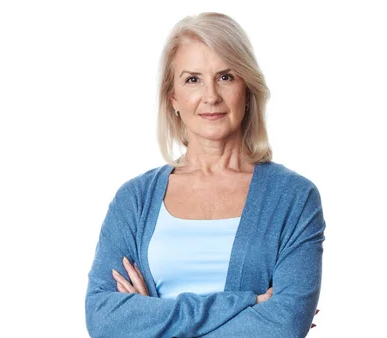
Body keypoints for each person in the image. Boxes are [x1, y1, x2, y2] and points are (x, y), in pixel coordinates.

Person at [85, 12, 325, 338]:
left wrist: (152, 317)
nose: (210, 96)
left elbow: (284, 325)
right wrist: (247, 303)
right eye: (193, 79)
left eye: (226, 76)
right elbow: (104, 319)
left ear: (247, 88)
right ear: (173, 99)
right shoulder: (134, 200)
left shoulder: (294, 198)